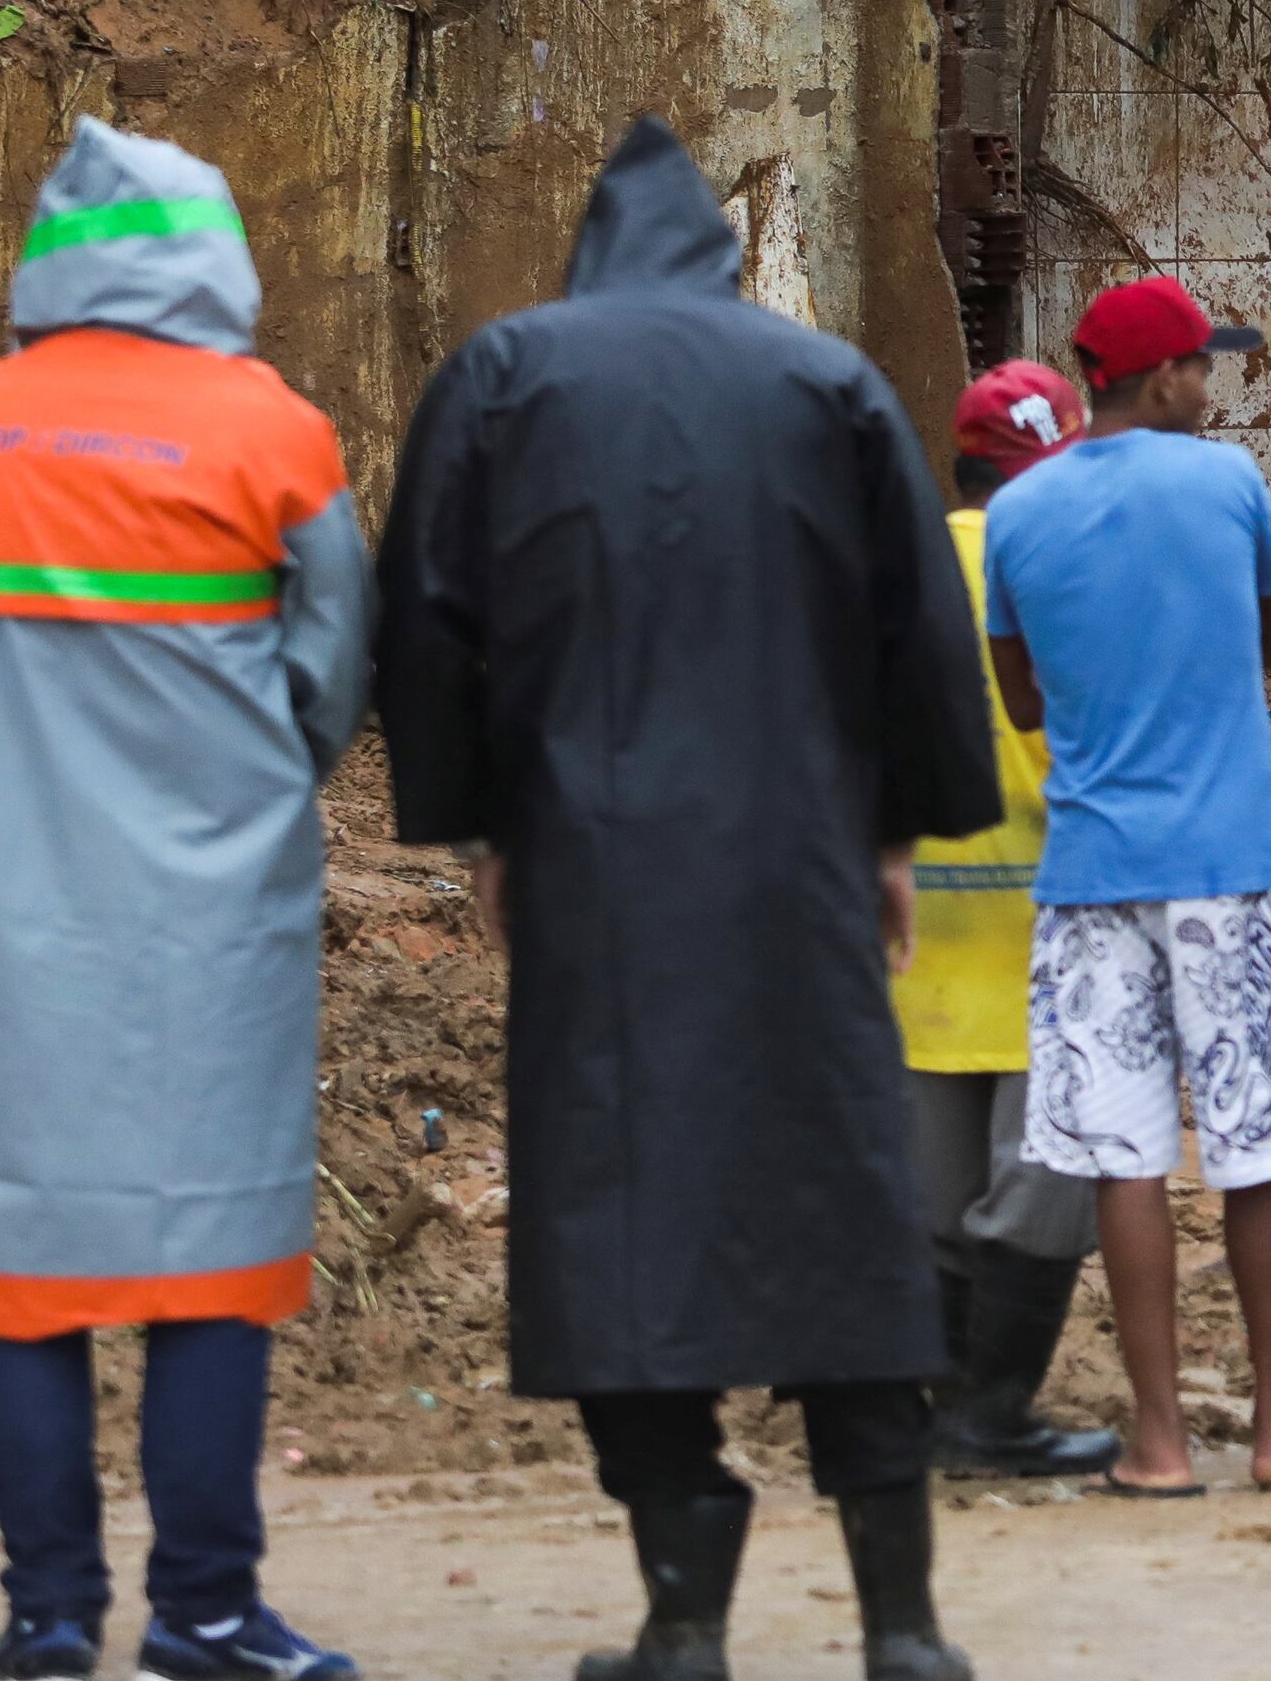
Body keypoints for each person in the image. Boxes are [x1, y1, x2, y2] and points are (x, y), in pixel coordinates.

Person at [376, 119, 1001, 1681]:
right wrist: (903, 828)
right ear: (719, 257)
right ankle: (903, 1622)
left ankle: (684, 1613)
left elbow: (428, 618)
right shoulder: (827, 380)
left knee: (616, 1208)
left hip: (594, 867)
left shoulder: (503, 375)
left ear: (591, 248)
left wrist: (476, 822)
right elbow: (919, 621)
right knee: (838, 1198)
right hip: (799, 863)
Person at [0, 124, 370, 1681]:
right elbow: (331, 667)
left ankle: (46, 1617)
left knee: (23, 1274)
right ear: (208, 255)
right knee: (206, 1260)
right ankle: (206, 1615)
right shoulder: (273, 430)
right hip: (212, 924)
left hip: (8, 912)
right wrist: (248, 778)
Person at [981, 274, 1271, 1498]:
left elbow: (1021, 695)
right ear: (1164, 377)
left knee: (1123, 1159)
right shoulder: (1225, 483)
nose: (1210, 386)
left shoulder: (1022, 509)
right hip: (1228, 865)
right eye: (1203, 366)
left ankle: (1159, 1442)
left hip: (1090, 876)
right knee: (1253, 1147)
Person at [900, 362, 1118, 1482]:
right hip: (1050, 920)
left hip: (917, 933)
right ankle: (991, 1414)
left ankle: (934, 1413)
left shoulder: (898, 562)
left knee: (936, 1194)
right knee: (1044, 1190)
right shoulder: (1068, 560)